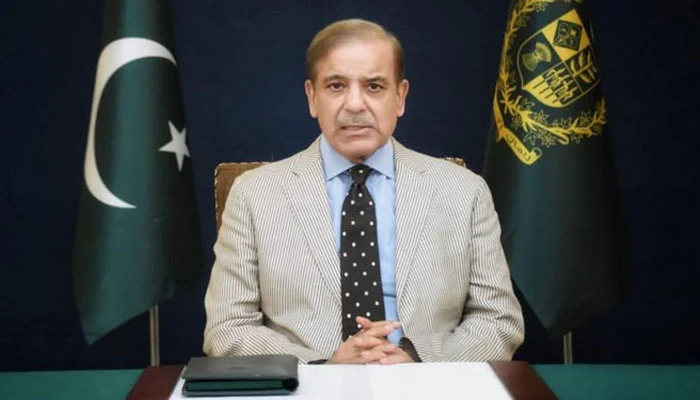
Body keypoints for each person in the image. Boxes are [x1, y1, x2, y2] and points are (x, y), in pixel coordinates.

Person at [204, 18, 524, 364]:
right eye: (336, 86)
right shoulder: (254, 195)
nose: (355, 104)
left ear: (400, 97)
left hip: (428, 384)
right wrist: (324, 367)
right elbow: (227, 329)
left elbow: (498, 322)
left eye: (373, 86)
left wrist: (417, 361)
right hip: (310, 385)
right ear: (312, 97)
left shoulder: (464, 191)